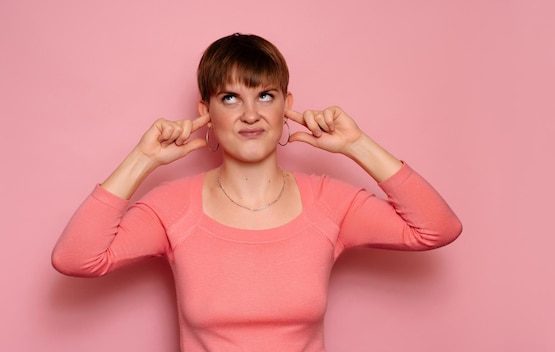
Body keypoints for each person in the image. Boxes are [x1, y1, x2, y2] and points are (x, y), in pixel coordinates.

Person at [52, 33, 462, 352]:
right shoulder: (172, 207)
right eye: (230, 98)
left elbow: (436, 229)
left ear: (286, 105)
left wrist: (357, 145)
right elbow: (76, 258)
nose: (250, 114)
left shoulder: (329, 202)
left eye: (265, 95)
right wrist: (142, 159)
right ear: (205, 112)